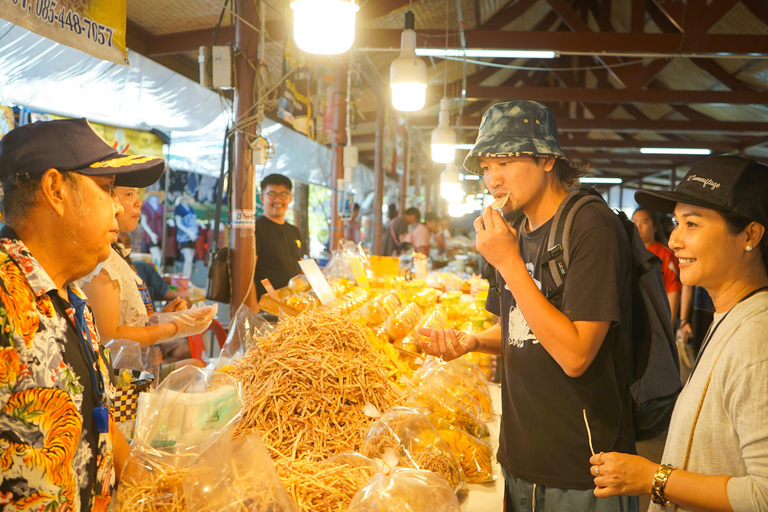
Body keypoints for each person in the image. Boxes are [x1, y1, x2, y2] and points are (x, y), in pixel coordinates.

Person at [418, 100, 638, 511]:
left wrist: (508, 261)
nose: (492, 180)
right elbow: (519, 330)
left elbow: (575, 354)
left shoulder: (591, 227)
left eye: (504, 161)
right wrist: (472, 342)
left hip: (582, 471)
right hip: (519, 458)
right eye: (485, 167)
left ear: (548, 159)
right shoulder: (514, 228)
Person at [0, 117, 165, 509]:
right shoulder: (6, 299)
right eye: (107, 189)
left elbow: (97, 417)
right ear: (55, 190)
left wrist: (157, 486)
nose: (117, 206)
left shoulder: (72, 299)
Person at [589, 156, 768, 512]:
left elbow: (763, 495)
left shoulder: (757, 340)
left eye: (692, 224)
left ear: (750, 234)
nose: (674, 240)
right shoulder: (730, 316)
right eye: (675, 223)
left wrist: (651, 478)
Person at [79, 187, 214, 347]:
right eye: (129, 194)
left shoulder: (116, 254)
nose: (138, 203)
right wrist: (176, 327)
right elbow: (109, 338)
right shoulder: (102, 260)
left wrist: (160, 319)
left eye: (137, 194)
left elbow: (126, 323)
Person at [253, 173, 304, 301]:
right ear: (261, 197)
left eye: (283, 194)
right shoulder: (254, 229)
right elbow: (247, 276)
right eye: (271, 194)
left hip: (293, 303)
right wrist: (253, 309)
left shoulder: (294, 231)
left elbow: (301, 267)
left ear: (290, 198)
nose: (278, 200)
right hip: (266, 306)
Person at [632, 208, 682, 322]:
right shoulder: (625, 251)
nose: (638, 227)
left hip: (654, 317)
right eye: (634, 222)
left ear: (655, 226)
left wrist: (669, 324)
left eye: (644, 222)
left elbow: (672, 290)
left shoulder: (665, 254)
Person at [174, 193, 199, 278]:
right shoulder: (179, 208)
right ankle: (185, 278)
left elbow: (194, 221)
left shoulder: (191, 209)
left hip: (192, 236)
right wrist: (189, 232)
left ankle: (187, 278)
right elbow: (178, 223)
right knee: (187, 259)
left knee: (190, 260)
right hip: (183, 237)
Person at [141, 191, 164, 269]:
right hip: (150, 235)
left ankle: (158, 272)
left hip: (160, 235)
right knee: (156, 257)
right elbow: (143, 222)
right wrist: (151, 234)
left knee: (159, 257)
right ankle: (157, 273)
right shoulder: (145, 206)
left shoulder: (160, 207)